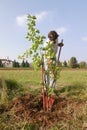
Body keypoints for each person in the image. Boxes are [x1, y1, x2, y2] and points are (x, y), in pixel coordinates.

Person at [43, 30, 63, 96]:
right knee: (47, 73)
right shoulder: (47, 44)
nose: (55, 40)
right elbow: (46, 53)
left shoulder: (56, 38)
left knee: (54, 74)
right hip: (47, 57)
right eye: (53, 39)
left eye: (55, 38)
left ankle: (52, 90)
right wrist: (49, 60)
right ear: (50, 39)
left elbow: (55, 43)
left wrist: (59, 44)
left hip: (53, 57)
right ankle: (46, 89)